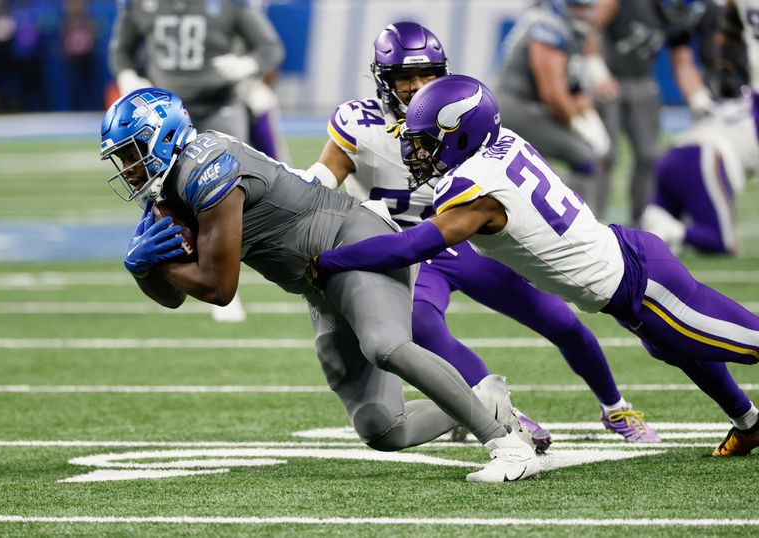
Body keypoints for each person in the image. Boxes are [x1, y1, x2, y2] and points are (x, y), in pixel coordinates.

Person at [99, 87, 542, 483]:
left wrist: (151, 265)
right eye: (121, 157)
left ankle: (507, 446)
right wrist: (144, 270)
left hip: (353, 241)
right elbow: (174, 297)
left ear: (165, 137)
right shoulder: (165, 196)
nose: (128, 166)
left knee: (385, 345)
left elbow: (219, 288)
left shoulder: (207, 168)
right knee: (383, 428)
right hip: (318, 281)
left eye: (133, 151)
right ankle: (486, 401)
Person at [310, 74, 759, 457]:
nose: (418, 153)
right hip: (630, 268)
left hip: (640, 283)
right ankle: (748, 421)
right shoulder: (498, 146)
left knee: (739, 342)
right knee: (679, 348)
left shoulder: (476, 190)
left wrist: (330, 260)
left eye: (428, 142)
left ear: (460, 135)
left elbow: (411, 245)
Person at [309, 21, 658, 446]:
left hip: (466, 239)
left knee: (559, 319)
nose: (418, 86)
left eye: (427, 75)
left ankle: (616, 407)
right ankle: (497, 409)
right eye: (405, 77)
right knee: (422, 325)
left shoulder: (456, 115)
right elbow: (324, 176)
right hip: (405, 249)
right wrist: (307, 187)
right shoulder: (358, 123)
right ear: (385, 80)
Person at [108, 0, 285, 323]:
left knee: (229, 196)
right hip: (161, 118)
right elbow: (120, 50)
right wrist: (127, 75)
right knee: (164, 202)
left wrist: (249, 64)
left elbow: (270, 47)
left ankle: (227, 280)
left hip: (220, 105)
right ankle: (186, 275)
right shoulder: (140, 5)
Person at [586, 0, 714, 223]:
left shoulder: (678, 12)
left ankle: (643, 221)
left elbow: (681, 59)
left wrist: (698, 100)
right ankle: (590, 222)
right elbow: (587, 28)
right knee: (605, 153)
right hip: (609, 76)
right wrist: (597, 71)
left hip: (643, 81)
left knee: (649, 156)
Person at [495, 0, 610, 217]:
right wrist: (578, 126)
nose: (583, 13)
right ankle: (578, 227)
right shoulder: (548, 27)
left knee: (589, 152)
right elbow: (552, 94)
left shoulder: (569, 32)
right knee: (583, 156)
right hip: (516, 109)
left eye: (586, 8)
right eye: (577, 7)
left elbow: (574, 89)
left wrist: (591, 120)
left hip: (530, 109)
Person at [641, 93, 759, 255]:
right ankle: (672, 231)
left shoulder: (744, 101)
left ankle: (659, 224)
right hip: (705, 157)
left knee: (649, 245)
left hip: (673, 154)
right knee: (723, 242)